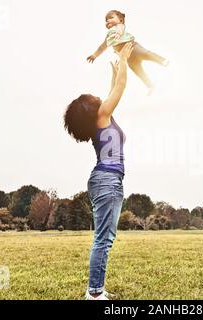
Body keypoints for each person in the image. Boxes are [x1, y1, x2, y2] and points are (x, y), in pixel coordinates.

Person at [64, 42, 134, 300]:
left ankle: (96, 289)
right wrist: (124, 58)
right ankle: (94, 294)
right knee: (103, 239)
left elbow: (114, 88)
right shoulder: (103, 115)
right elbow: (121, 89)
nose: (99, 98)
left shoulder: (103, 116)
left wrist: (115, 69)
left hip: (103, 180)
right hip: (107, 180)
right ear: (93, 109)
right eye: (94, 99)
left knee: (103, 238)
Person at [87, 10, 169, 95]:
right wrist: (94, 55)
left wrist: (118, 34)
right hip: (127, 57)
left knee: (146, 53)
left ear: (121, 20)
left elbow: (120, 28)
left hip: (133, 47)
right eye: (106, 20)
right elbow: (102, 46)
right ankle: (150, 85)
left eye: (111, 17)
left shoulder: (119, 26)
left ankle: (162, 60)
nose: (108, 20)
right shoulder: (109, 36)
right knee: (138, 70)